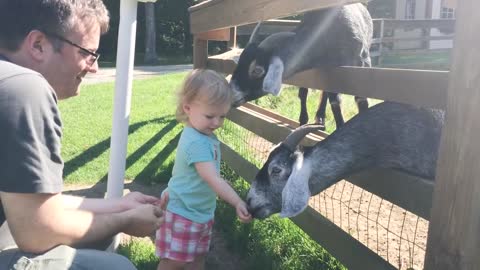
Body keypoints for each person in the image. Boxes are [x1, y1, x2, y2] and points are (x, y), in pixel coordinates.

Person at [0, 1, 168, 269]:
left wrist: (118, 206)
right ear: (38, 44)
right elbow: (37, 231)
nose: (94, 68)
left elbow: (36, 204)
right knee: (119, 267)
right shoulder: (23, 89)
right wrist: (125, 220)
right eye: (88, 53)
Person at [155, 69, 252, 270]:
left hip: (200, 212)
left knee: (198, 257)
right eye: (210, 116)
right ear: (187, 108)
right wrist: (236, 201)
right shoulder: (197, 143)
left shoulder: (201, 134)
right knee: (175, 261)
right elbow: (213, 179)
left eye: (222, 116)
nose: (217, 123)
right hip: (184, 212)